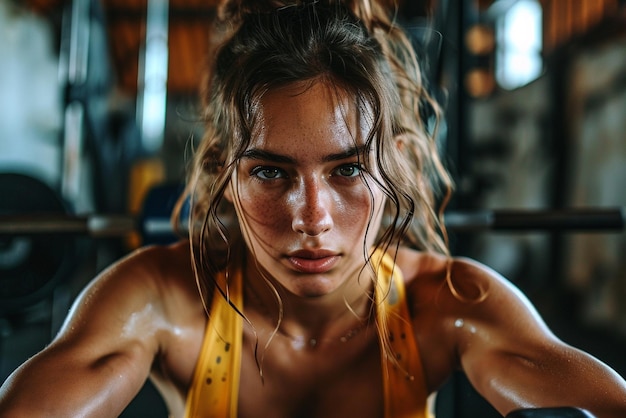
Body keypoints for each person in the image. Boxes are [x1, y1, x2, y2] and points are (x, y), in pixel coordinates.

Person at [1, 1, 626, 417]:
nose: (311, 217)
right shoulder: (163, 302)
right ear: (224, 173)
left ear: (398, 164)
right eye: (270, 172)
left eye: (349, 169)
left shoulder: (448, 307)